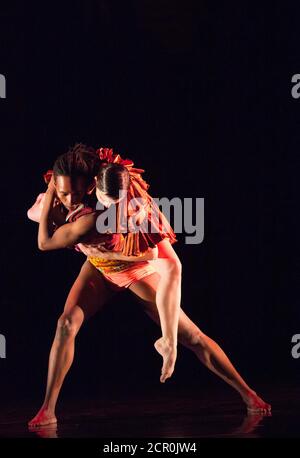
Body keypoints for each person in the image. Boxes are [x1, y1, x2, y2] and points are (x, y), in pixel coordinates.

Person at [28, 144, 271, 427]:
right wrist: (49, 200)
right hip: (99, 269)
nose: (70, 199)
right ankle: (48, 409)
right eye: (64, 192)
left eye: (77, 193)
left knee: (191, 336)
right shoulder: (67, 196)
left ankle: (248, 394)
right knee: (65, 323)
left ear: (92, 186)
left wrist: (98, 245)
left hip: (136, 270)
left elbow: (150, 254)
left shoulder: (121, 204)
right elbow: (33, 214)